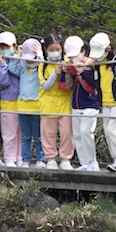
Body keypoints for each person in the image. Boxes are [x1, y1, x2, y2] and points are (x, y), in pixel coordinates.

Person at [88, 32, 116, 172]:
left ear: (109, 48)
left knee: (114, 131)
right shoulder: (98, 63)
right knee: (108, 132)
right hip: (105, 101)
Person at [60, 35, 101, 171]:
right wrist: (66, 72)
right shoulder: (70, 63)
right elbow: (66, 86)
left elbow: (90, 88)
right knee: (77, 134)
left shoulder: (92, 65)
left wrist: (80, 72)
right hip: (76, 104)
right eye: (70, 56)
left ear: (83, 51)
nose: (72, 59)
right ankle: (84, 163)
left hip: (90, 105)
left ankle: (92, 162)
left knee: (86, 132)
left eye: (74, 55)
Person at [8, 38, 45, 168]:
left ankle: (41, 159)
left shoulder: (39, 70)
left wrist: (40, 54)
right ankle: (25, 159)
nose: (30, 61)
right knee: (25, 136)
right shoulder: (23, 69)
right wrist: (18, 55)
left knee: (38, 136)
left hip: (36, 107)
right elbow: (12, 67)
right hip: (22, 106)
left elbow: (42, 64)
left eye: (32, 58)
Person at [40, 33, 74, 170]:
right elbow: (46, 86)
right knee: (49, 133)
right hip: (48, 104)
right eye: (51, 50)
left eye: (57, 49)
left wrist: (67, 71)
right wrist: (55, 74)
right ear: (46, 50)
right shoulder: (42, 65)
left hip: (65, 103)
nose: (55, 52)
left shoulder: (68, 61)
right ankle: (51, 158)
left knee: (66, 133)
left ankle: (66, 159)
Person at [0, 31, 22, 168]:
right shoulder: (0, 64)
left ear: (14, 46)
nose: (5, 50)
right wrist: (4, 66)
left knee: (21, 131)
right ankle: (9, 158)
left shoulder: (21, 60)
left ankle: (20, 157)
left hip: (22, 100)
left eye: (7, 46)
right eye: (2, 47)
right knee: (9, 132)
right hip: (7, 101)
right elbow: (1, 83)